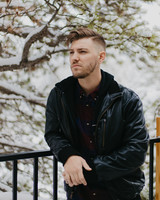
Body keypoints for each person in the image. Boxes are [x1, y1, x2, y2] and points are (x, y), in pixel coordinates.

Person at [45, 28, 149, 200]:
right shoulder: (59, 95)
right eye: (71, 52)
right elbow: (53, 133)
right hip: (78, 193)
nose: (74, 57)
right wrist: (68, 155)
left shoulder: (127, 99)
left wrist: (90, 170)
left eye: (82, 51)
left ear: (101, 57)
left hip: (120, 193)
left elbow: (136, 151)